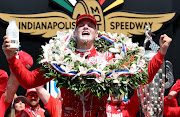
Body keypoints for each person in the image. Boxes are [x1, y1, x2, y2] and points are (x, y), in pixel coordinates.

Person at [2, 14, 172, 116]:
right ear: (75, 33)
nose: (85, 27)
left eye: (90, 25)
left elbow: (142, 77)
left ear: (96, 34)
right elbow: (29, 81)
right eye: (81, 25)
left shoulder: (109, 57)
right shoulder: (60, 58)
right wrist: (11, 57)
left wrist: (161, 53)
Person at [0, 51, 33, 117]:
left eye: (23, 102)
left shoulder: (2, 99)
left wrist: (15, 62)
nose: (20, 103)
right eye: (17, 102)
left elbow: (13, 81)